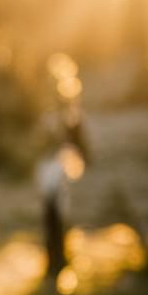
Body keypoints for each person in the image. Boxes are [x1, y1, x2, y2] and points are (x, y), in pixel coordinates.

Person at [35, 101, 89, 279]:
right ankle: (54, 263)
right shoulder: (47, 119)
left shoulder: (70, 118)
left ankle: (60, 262)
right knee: (51, 218)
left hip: (61, 171)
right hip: (50, 171)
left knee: (59, 218)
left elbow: (79, 146)